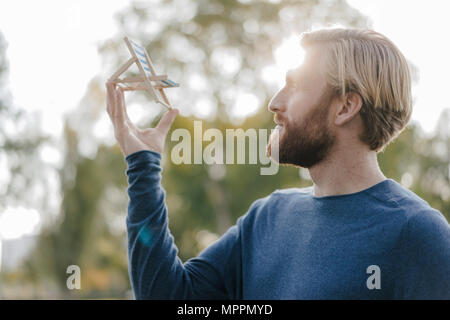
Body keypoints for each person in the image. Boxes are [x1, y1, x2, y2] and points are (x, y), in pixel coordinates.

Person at [106, 28, 450, 299]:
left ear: (345, 107)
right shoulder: (267, 218)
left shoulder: (417, 235)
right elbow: (167, 297)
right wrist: (143, 165)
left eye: (295, 87)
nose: (274, 102)